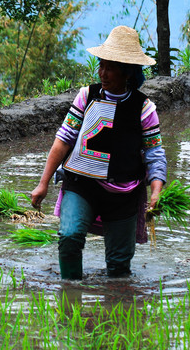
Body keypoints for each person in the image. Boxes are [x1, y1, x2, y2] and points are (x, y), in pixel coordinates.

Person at [31, 25, 167, 279]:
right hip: (81, 184)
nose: (103, 73)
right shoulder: (86, 97)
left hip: (123, 192)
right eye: (101, 65)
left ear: (127, 73)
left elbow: (154, 154)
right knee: (69, 236)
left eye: (110, 67)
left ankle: (117, 304)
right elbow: (63, 139)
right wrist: (43, 183)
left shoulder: (144, 108)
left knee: (118, 265)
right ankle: (70, 297)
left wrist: (156, 193)